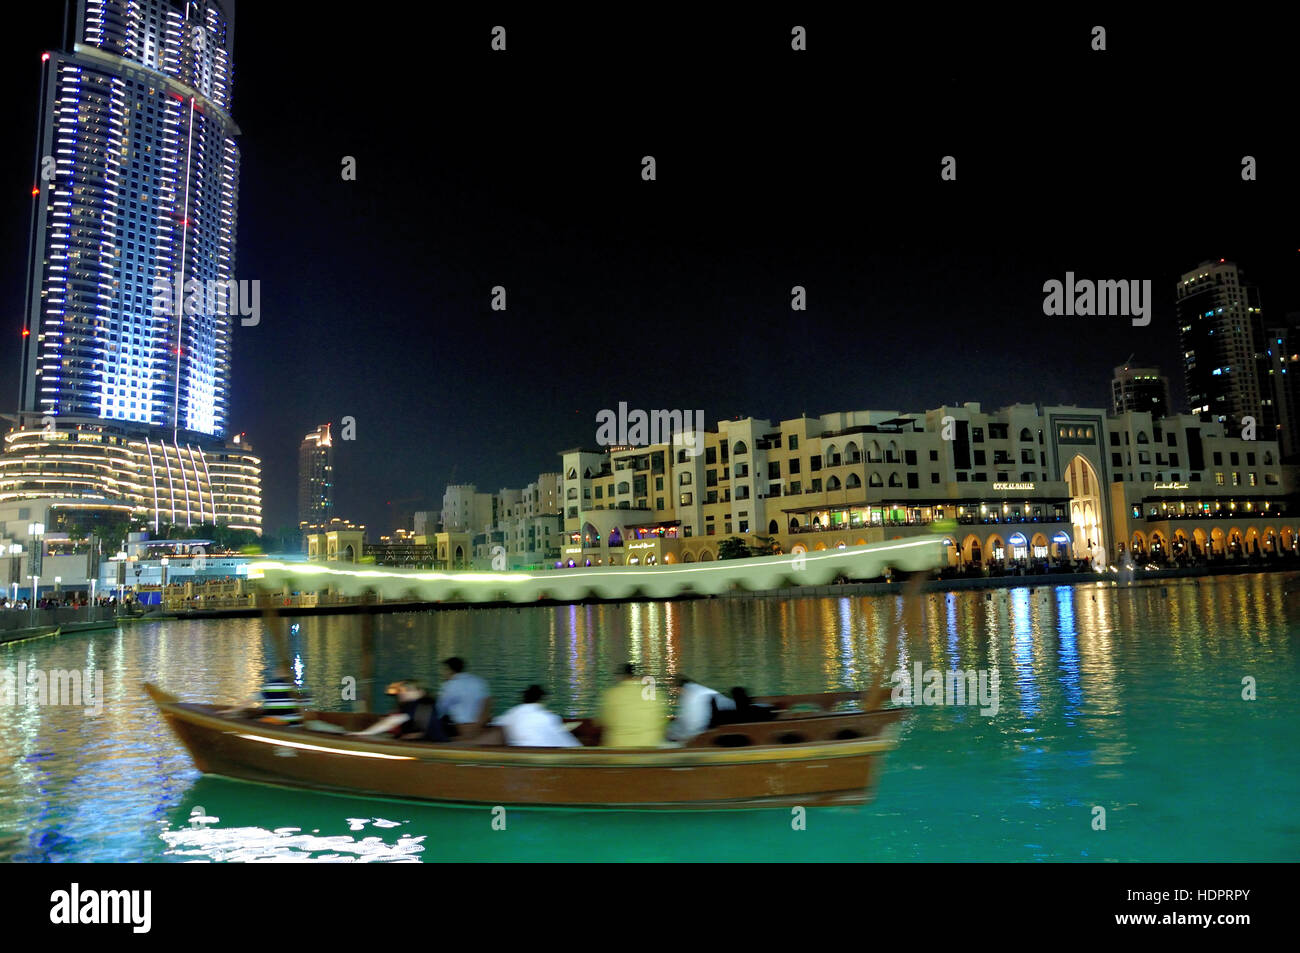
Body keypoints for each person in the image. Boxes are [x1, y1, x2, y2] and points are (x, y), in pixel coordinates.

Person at [596, 663, 667, 747]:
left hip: (618, 749)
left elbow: (604, 722)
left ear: (623, 677)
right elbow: (662, 722)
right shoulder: (656, 695)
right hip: (649, 747)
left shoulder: (612, 694)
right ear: (640, 677)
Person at [351, 680, 448, 741]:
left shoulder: (417, 704)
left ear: (420, 692)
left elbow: (392, 721)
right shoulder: (428, 702)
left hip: (429, 745)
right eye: (402, 690)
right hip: (434, 741)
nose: (403, 693)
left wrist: (365, 733)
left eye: (408, 690)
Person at [494, 685, 581, 747]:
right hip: (546, 755)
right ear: (541, 700)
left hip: (519, 752)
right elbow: (565, 741)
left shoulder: (511, 714)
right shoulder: (548, 717)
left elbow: (496, 724)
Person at [666, 675, 734, 741]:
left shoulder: (691, 695)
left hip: (708, 731)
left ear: (679, 688)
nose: (676, 693)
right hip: (723, 724)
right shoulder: (700, 690)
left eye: (676, 689)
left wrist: (675, 734)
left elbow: (694, 723)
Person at [435, 657, 490, 736]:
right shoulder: (479, 681)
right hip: (481, 726)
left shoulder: (450, 685)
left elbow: (439, 710)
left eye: (444, 670)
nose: (443, 673)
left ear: (449, 670)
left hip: (462, 729)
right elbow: (487, 702)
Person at [708, 686, 776, 728]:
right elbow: (772, 712)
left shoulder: (727, 715)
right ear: (748, 699)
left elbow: (713, 719)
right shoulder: (759, 712)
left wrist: (712, 704)